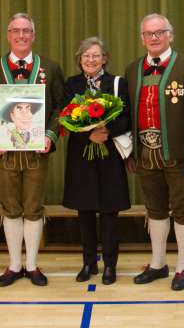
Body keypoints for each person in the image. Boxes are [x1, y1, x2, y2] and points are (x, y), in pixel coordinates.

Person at [0, 13, 64, 287]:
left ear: (34, 35)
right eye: (16, 31)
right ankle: (14, 265)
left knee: (33, 207)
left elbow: (60, 108)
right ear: (8, 34)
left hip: (37, 153)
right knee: (11, 208)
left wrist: (50, 134)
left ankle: (33, 265)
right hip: (4, 154)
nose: (22, 36)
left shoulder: (49, 67)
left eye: (27, 31)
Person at [124, 13, 184, 291]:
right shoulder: (133, 69)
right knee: (154, 209)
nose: (154, 38)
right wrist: (128, 151)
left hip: (178, 155)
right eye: (149, 34)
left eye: (159, 32)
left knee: (182, 209)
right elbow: (126, 114)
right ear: (142, 38)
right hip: (145, 154)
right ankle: (158, 263)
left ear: (170, 34)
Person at [62, 37, 131, 285]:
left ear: (105, 58)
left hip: (109, 156)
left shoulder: (117, 83)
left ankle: (110, 265)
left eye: (96, 55)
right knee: (85, 212)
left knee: (110, 212)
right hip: (82, 157)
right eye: (86, 56)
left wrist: (106, 132)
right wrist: (88, 133)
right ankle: (88, 262)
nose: (91, 60)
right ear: (79, 60)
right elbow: (66, 117)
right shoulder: (72, 84)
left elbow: (126, 117)